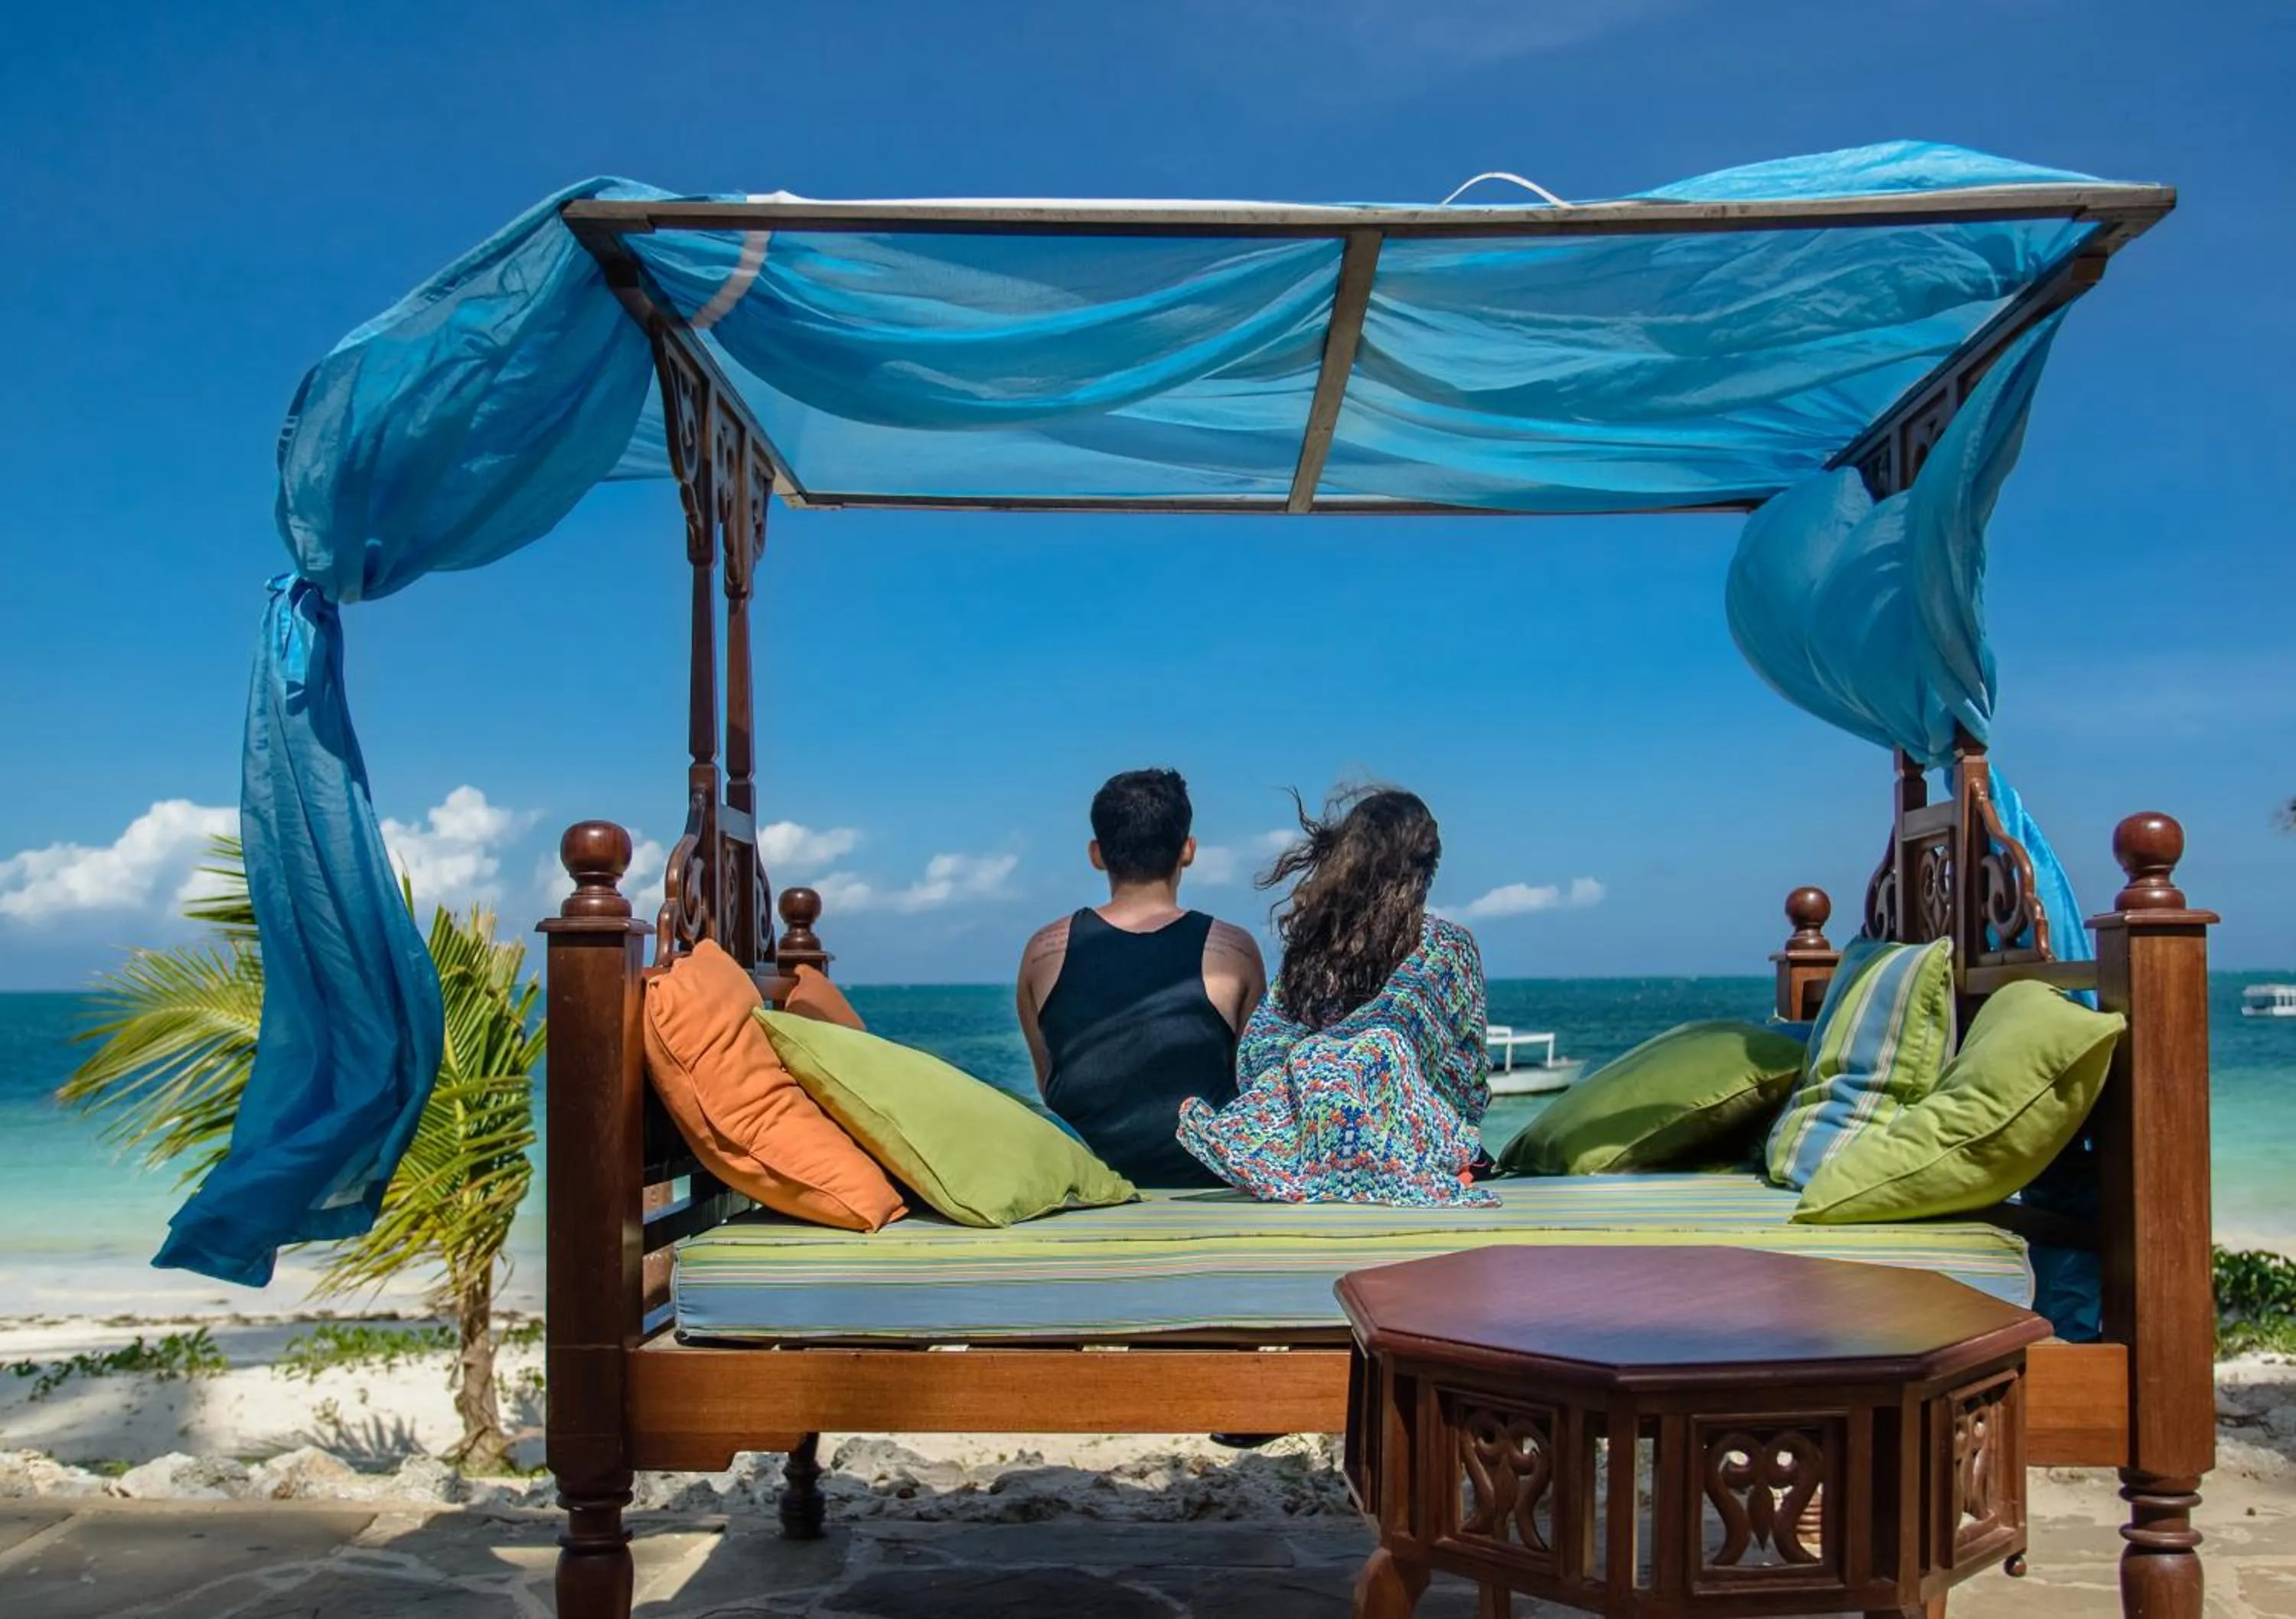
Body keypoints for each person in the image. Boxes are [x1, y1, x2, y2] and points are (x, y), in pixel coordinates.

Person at [1176, 785, 1492, 1206]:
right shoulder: (1445, 949)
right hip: (1412, 1139)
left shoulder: (1310, 953)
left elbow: (1258, 1055)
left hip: (1304, 1136)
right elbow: (1466, 1083)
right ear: (1429, 865)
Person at [1017, 768, 1267, 1187]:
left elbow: (1051, 1085)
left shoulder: (1044, 951)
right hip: (1204, 1187)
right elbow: (1253, 1088)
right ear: (1187, 850)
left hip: (1091, 1186)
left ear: (1097, 854)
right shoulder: (1235, 951)